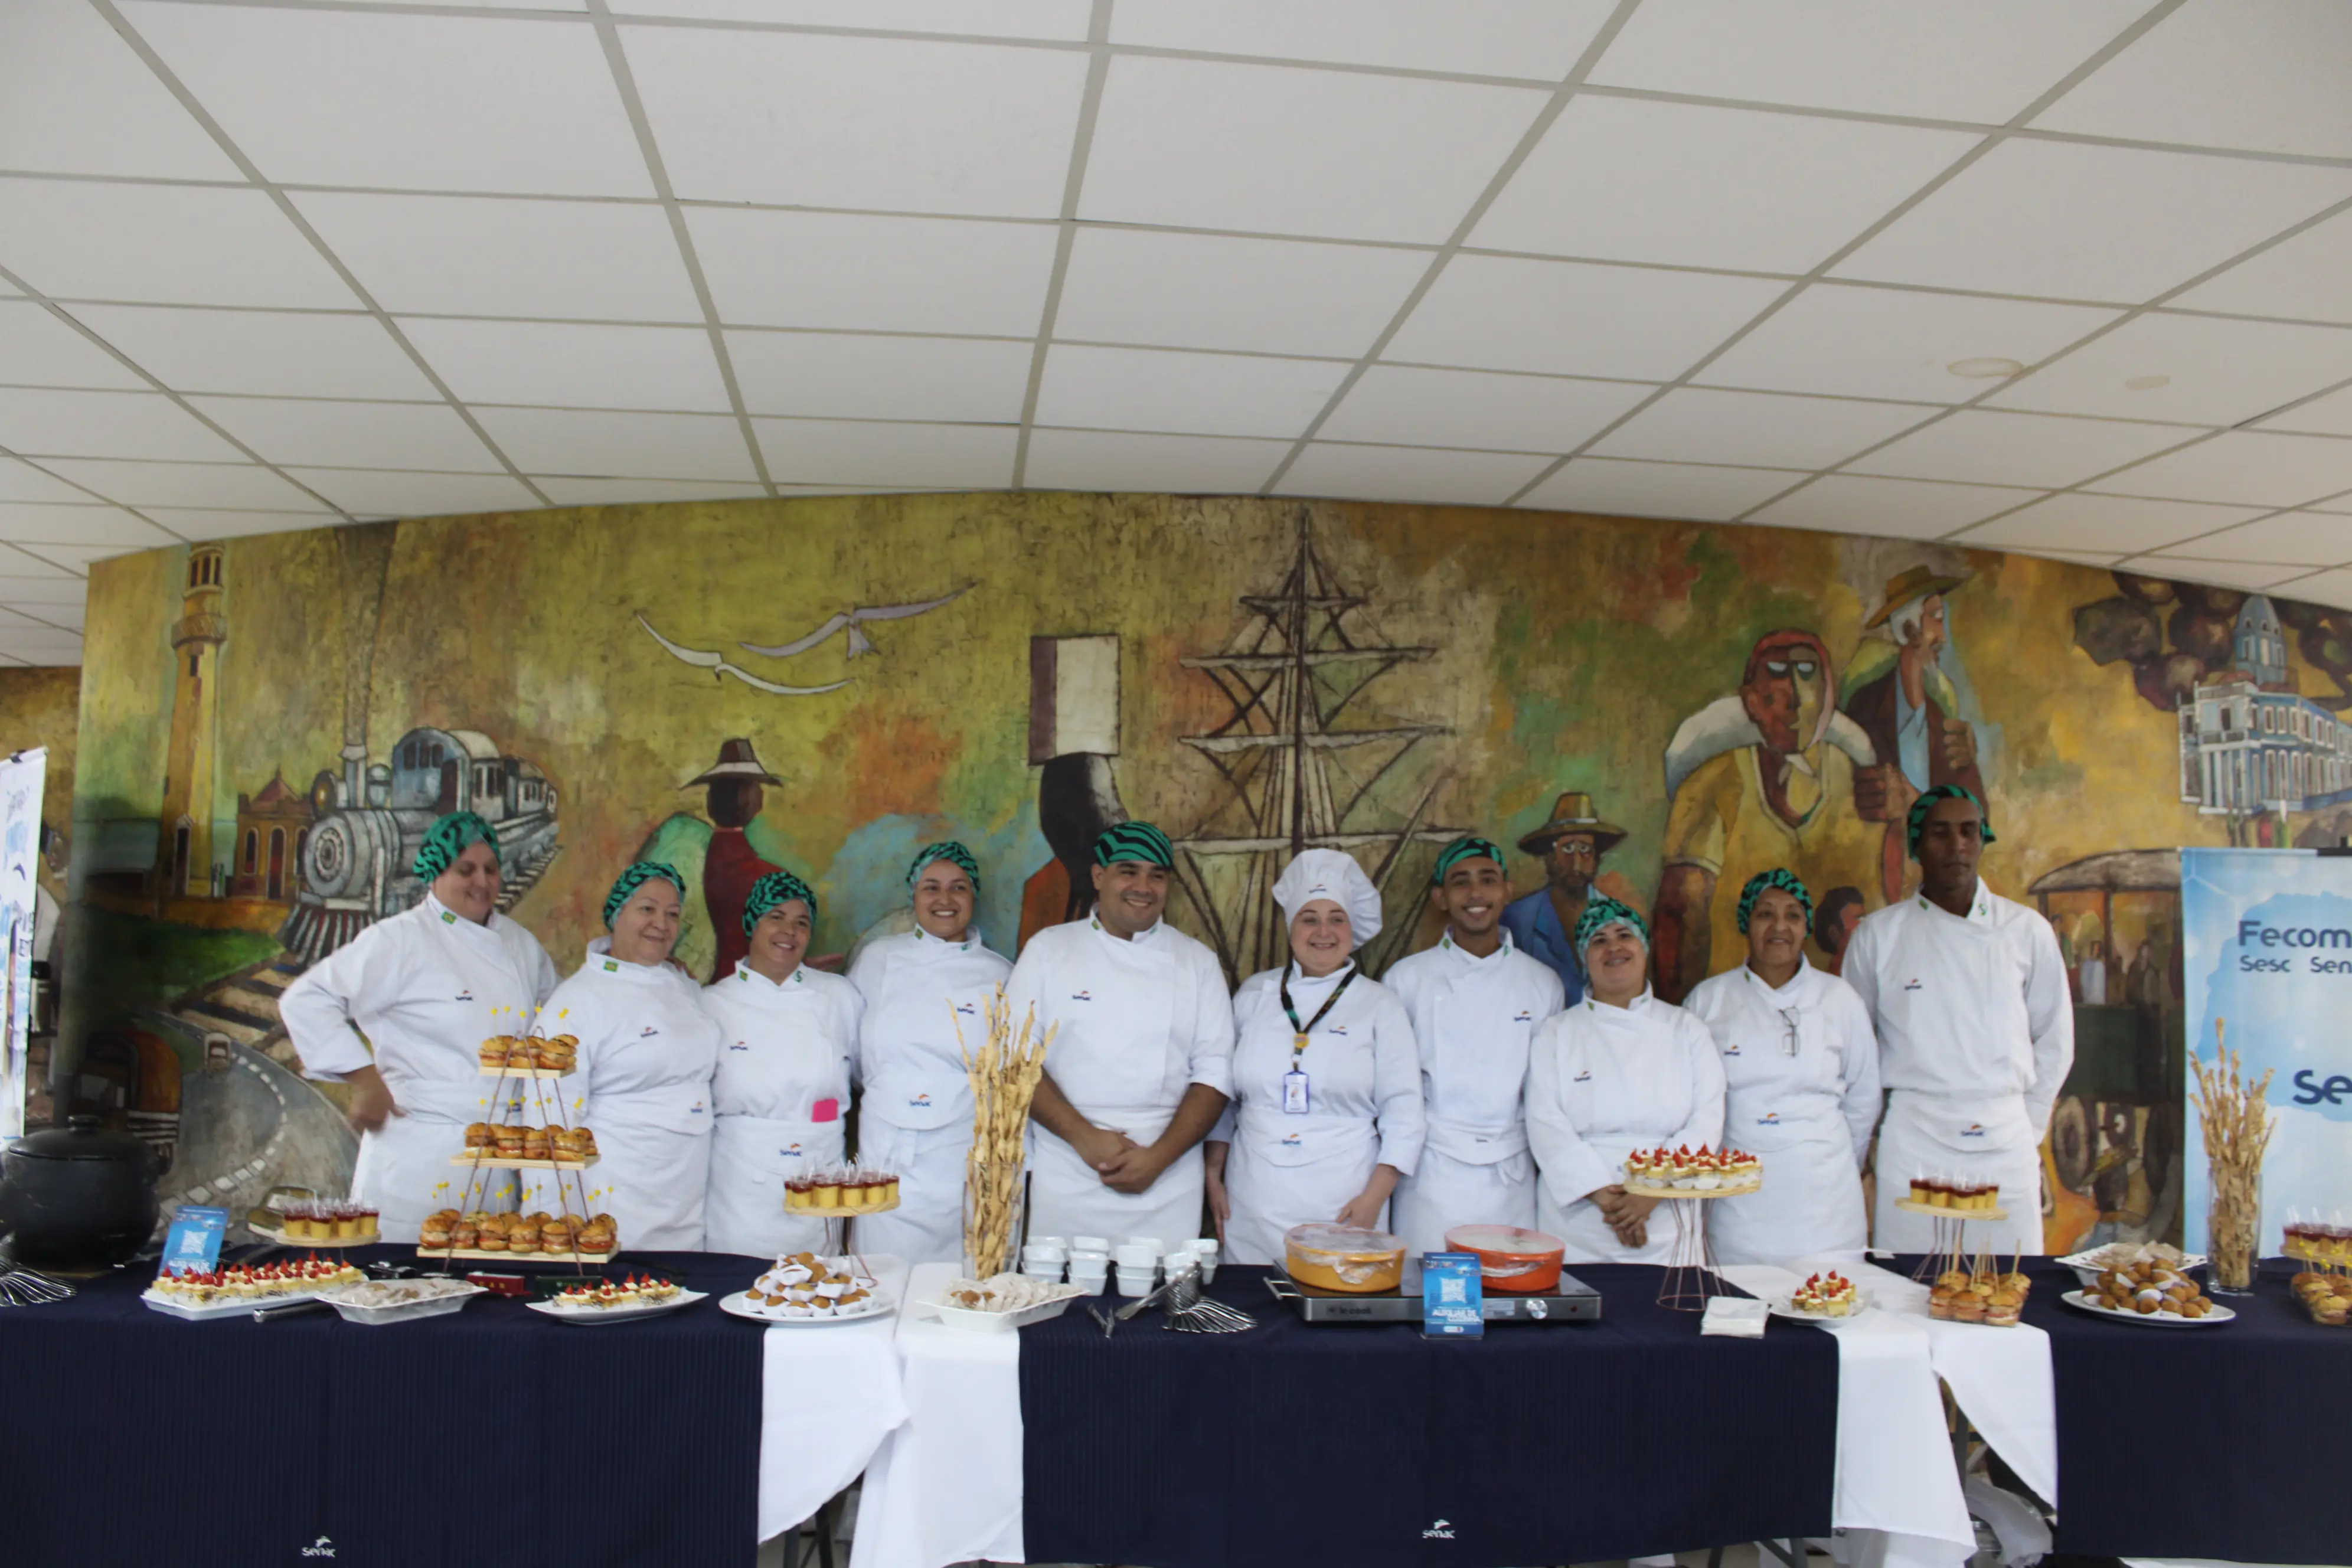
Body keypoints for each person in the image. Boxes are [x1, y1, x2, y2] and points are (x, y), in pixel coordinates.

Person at [281, 812, 558, 1242]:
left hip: (500, 1167)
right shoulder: (400, 940)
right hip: (419, 1161)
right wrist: (367, 1080)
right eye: (465, 870)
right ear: (434, 872)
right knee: (409, 1291)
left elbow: (560, 1017)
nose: (481, 882)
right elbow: (306, 999)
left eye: (491, 869)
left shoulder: (520, 945)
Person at [1843, 786, 2073, 1256]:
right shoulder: (1878, 937)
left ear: (1983, 840)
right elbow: (1854, 1048)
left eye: (1969, 832)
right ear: (1917, 845)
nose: (1957, 846)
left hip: (2004, 1136)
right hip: (1915, 1136)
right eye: (1940, 833)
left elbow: (2055, 1039)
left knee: (2009, 1290)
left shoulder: (2026, 932)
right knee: (1907, 1289)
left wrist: (2025, 1127)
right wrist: (1871, 1135)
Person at [1002, 822, 1233, 1251]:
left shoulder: (1197, 962)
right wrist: (1084, 1138)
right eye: (1128, 870)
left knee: (1160, 1305)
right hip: (1070, 1168)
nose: (1143, 887)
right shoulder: (1048, 950)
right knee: (1063, 1302)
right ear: (1098, 876)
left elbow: (1216, 1074)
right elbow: (1015, 1058)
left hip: (1166, 1177)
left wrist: (1158, 1159)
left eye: (1157, 875)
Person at [1205, 849, 1425, 1265]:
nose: (1323, 931)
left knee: (1338, 1317)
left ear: (1351, 929)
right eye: (1310, 918)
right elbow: (1224, 1095)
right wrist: (1213, 1174)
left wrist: (1374, 1199)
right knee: (1255, 1310)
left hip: (1346, 1202)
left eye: (1336, 919)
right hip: (1253, 1197)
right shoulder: (1253, 995)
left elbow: (1405, 1111)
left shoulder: (1381, 1005)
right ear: (1291, 928)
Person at [1682, 870, 1880, 1265]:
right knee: (1742, 1313)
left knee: (1830, 1309)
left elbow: (1864, 1099)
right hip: (1739, 1205)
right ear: (1746, 923)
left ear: (1806, 927)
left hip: (1826, 1199)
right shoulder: (1709, 1001)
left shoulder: (1840, 999)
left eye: (1792, 916)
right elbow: (1690, 1101)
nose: (1779, 927)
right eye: (1765, 914)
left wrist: (1830, 1159)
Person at [1384, 836, 1564, 1257]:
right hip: (1431, 1175)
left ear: (1507, 890)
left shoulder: (1542, 983)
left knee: (1510, 1299)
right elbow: (1395, 1091)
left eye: (1488, 879)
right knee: (1425, 1299)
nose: (1476, 893)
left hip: (1512, 1176)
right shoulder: (1406, 980)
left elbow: (1546, 1094)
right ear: (1441, 897)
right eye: (1461, 882)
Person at [530, 862, 720, 1250]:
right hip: (618, 1198)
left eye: (672, 914)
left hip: (687, 1199)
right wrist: (550, 1227)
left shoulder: (682, 987)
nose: (661, 924)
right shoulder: (575, 1003)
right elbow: (548, 1127)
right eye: (647, 909)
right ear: (617, 915)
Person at [1524, 897, 1725, 1265]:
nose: (1613, 947)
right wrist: (1605, 1196)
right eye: (1599, 940)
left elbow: (1707, 1119)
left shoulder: (1686, 1029)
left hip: (1667, 1210)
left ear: (1644, 949)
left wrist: (1651, 1192)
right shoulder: (1557, 1033)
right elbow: (1544, 1122)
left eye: (1624, 935)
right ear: (1585, 958)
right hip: (1581, 1216)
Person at [850, 842, 1012, 1263]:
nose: (945, 900)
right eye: (931, 888)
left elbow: (1013, 1078)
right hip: (885, 1147)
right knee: (879, 1277)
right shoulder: (878, 959)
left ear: (974, 896)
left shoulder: (1001, 975)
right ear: (914, 895)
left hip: (962, 1154)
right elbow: (850, 1053)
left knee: (956, 1282)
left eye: (958, 888)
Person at [701, 868, 864, 1257]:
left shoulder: (839, 997)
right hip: (739, 1187)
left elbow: (864, 1075)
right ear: (752, 925)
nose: (789, 932)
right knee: (737, 1287)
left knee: (819, 1291)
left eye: (801, 923)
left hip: (819, 1174)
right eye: (776, 917)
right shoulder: (711, 1004)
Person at [1499, 790, 1626, 1003]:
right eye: (1567, 849)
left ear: (1596, 858)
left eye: (1585, 849)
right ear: (1549, 858)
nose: (1576, 862)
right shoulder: (1516, 920)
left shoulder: (1619, 919)